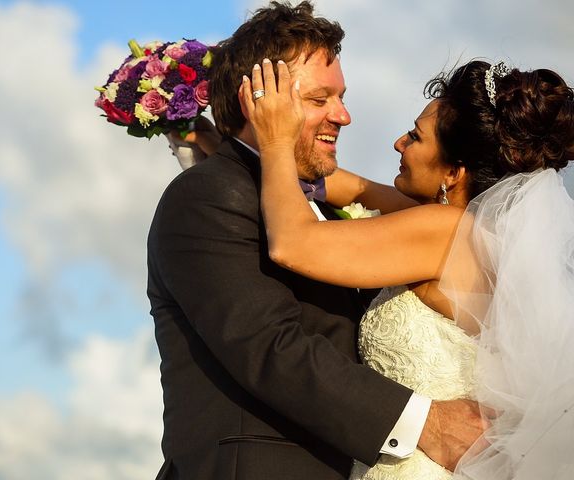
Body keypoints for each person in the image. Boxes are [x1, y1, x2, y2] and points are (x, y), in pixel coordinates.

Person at [147, 2, 484, 479]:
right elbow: (269, 346)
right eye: (318, 99)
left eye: (340, 97)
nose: (343, 116)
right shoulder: (204, 196)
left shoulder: (317, 207)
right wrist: (427, 422)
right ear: (259, 102)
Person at [240, 55, 574, 479]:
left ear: (453, 171)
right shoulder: (475, 233)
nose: (399, 143)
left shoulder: (441, 230)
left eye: (415, 137)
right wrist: (224, 140)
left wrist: (272, 140)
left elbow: (292, 244)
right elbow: (349, 187)